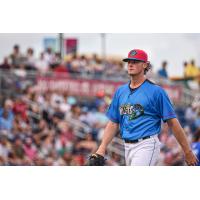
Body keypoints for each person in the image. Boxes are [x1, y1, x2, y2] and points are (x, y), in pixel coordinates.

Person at [94, 49, 198, 166]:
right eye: (129, 61)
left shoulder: (156, 91)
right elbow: (113, 123)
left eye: (135, 61)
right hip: (127, 146)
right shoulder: (120, 91)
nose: (130, 64)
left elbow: (173, 123)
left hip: (146, 144)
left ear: (145, 65)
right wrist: (101, 148)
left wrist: (187, 151)